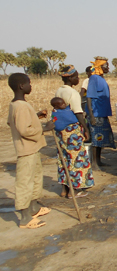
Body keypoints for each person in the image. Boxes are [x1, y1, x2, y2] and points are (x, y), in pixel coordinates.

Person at [8, 73, 54, 229]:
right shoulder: (20, 106)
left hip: (32, 149)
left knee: (35, 178)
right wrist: (44, 128)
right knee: (25, 183)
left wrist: (35, 116)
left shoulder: (17, 104)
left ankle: (34, 208)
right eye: (29, 83)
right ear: (21, 86)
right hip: (26, 150)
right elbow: (24, 129)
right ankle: (25, 218)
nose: (31, 86)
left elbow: (13, 122)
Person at [54, 65, 94, 198]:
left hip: (61, 131)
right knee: (75, 158)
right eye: (76, 76)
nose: (78, 79)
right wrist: (85, 129)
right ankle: (74, 190)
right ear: (70, 78)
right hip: (72, 130)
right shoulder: (73, 93)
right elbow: (78, 114)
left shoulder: (59, 91)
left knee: (63, 157)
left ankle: (64, 189)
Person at [86, 56, 115, 170]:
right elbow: (89, 97)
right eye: (106, 65)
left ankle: (98, 160)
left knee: (100, 139)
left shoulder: (101, 78)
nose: (108, 67)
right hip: (96, 113)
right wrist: (91, 115)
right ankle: (94, 163)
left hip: (102, 112)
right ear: (99, 66)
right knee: (95, 139)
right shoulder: (94, 78)